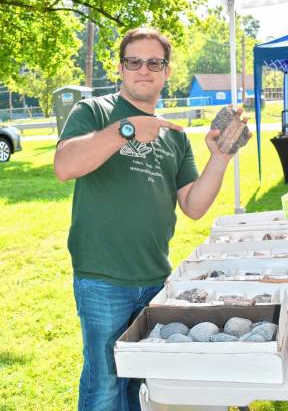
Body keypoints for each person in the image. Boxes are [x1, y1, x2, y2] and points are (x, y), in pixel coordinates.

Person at [54, 27, 249, 411]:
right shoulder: (95, 112)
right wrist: (126, 130)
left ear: (166, 71)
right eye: (134, 61)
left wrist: (220, 156)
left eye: (154, 62)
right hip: (102, 278)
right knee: (105, 384)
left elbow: (193, 205)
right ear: (122, 69)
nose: (144, 69)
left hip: (156, 280)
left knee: (144, 382)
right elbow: (64, 165)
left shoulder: (174, 136)